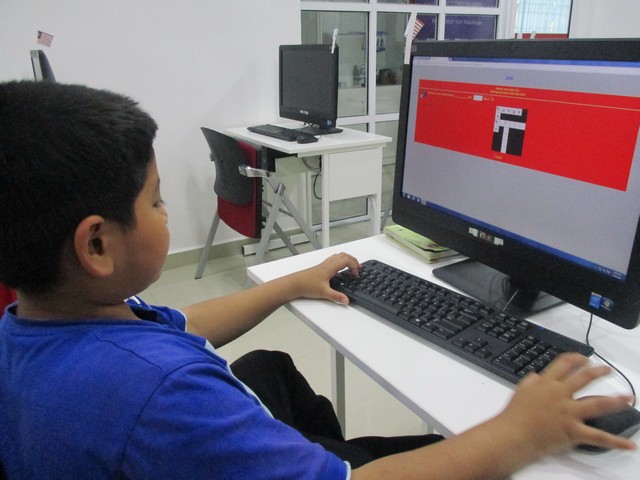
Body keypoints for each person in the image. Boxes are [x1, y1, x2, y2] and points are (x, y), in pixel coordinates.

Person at [0, 81, 635, 480]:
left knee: (270, 367)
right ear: (97, 245)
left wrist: (289, 284)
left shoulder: (39, 323)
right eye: (157, 200)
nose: (167, 213)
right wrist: (518, 433)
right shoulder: (162, 396)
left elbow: (179, 325)